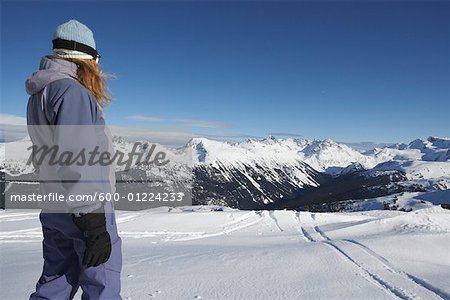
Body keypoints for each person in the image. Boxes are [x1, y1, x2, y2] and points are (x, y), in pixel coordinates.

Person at [25, 19, 122, 299]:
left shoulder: (41, 92)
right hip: (85, 209)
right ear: (86, 57)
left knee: (57, 278)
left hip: (55, 205)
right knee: (101, 280)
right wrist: (93, 220)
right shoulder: (72, 92)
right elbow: (77, 157)